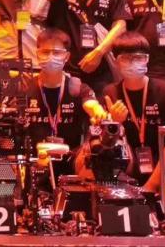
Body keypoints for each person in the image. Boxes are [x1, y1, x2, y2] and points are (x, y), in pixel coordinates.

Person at [100, 31, 165, 199]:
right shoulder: (110, 92)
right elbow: (105, 146)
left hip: (164, 165)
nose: (133, 63)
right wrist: (115, 125)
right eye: (126, 58)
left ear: (147, 59)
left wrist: (152, 184)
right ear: (115, 61)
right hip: (127, 165)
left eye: (139, 57)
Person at [18, 28, 105, 174]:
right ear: (37, 54)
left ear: (67, 56)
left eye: (57, 53)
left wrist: (98, 112)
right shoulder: (24, 88)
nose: (51, 57)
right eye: (45, 52)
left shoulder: (77, 87)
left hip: (71, 166)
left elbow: (91, 104)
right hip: (33, 165)